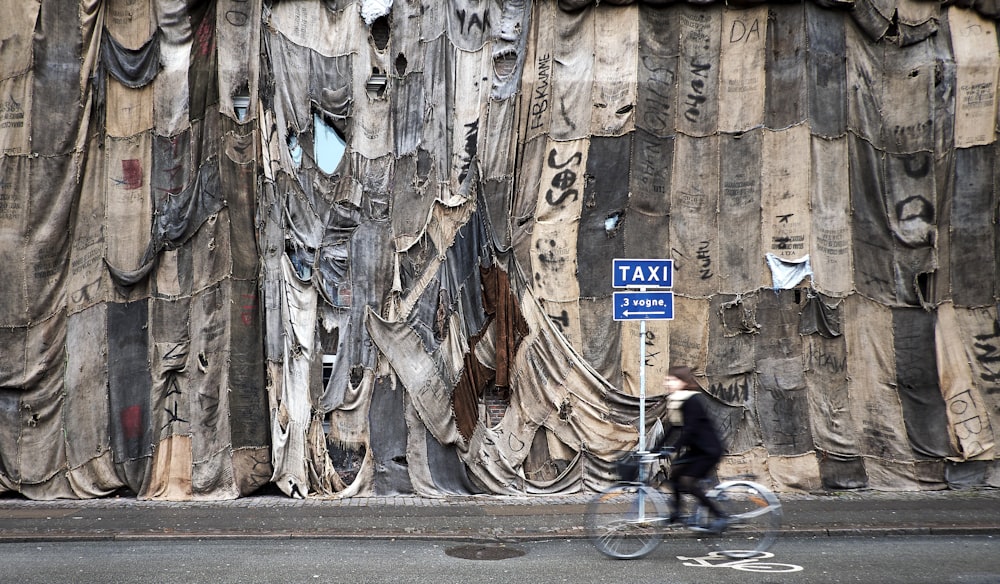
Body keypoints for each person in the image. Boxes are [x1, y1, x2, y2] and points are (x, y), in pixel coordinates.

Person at [659, 365, 728, 532]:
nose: (667, 383)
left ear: (683, 382)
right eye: (667, 379)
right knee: (674, 473)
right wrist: (657, 448)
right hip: (697, 449)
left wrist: (674, 448)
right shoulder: (678, 399)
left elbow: (690, 429)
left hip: (709, 450)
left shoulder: (692, 400)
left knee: (688, 482)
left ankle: (720, 516)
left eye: (672, 380)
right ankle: (677, 512)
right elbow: (673, 427)